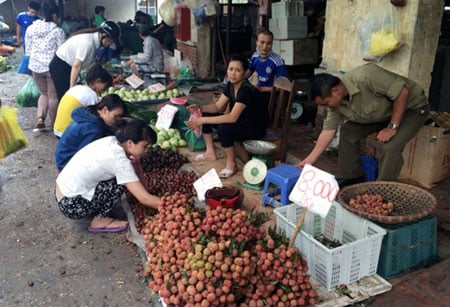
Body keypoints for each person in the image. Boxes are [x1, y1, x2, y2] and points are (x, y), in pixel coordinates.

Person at [296, 63, 429, 187]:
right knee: (348, 131)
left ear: (336, 90)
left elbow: (403, 92)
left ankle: (382, 191)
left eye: (325, 103)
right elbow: (328, 131)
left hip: (411, 109)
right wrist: (310, 160)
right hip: (382, 114)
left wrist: (392, 127)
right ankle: (352, 179)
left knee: (391, 147)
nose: (326, 108)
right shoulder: (336, 104)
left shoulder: (366, 76)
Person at [55, 119, 160, 233]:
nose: (147, 151)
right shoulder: (119, 161)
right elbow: (143, 198)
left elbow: (137, 170)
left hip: (63, 191)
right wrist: (171, 207)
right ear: (130, 143)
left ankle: (95, 208)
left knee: (125, 177)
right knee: (121, 183)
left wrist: (146, 190)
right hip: (71, 206)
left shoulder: (112, 141)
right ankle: (99, 220)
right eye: (145, 146)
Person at [187, 55, 268, 178]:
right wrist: (200, 109)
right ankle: (210, 152)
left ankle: (232, 164)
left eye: (238, 70)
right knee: (206, 114)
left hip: (255, 128)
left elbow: (231, 118)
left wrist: (201, 120)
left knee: (224, 129)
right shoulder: (230, 86)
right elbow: (217, 107)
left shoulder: (246, 90)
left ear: (246, 73)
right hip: (241, 122)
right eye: (231, 69)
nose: (233, 73)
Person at [49, 20, 121, 101]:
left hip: (69, 67)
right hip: (61, 66)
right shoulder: (88, 42)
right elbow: (77, 65)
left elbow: (93, 65)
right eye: (110, 41)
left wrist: (107, 79)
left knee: (77, 97)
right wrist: (71, 89)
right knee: (66, 98)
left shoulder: (95, 43)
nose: (110, 44)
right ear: (103, 35)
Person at [55, 94, 127, 171]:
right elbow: (85, 156)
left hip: (62, 158)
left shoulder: (89, 114)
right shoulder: (94, 129)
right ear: (105, 110)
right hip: (67, 164)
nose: (117, 120)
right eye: (115, 116)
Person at [25, 2, 66, 131]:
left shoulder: (32, 28)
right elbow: (61, 52)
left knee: (43, 94)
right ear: (55, 15)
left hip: (35, 66)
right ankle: (54, 124)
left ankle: (40, 118)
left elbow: (28, 50)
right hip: (51, 68)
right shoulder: (58, 31)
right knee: (53, 96)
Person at [53, 64, 113, 137]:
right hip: (67, 132)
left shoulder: (76, 88)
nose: (105, 90)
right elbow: (97, 118)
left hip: (58, 129)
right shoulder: (91, 95)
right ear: (98, 81)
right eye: (105, 87)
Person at [245, 29, 288, 103]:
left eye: (269, 43)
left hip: (271, 95)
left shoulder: (277, 61)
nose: (265, 46)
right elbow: (247, 73)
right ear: (257, 43)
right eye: (262, 42)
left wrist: (262, 89)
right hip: (258, 91)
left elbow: (283, 86)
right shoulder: (255, 56)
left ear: (272, 44)